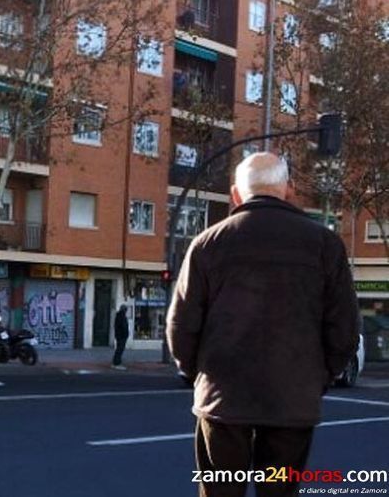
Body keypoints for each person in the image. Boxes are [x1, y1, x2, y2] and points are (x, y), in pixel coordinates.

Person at [166, 152, 359, 497]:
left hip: (223, 401)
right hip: (292, 400)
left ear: (236, 195)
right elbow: (344, 327)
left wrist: (198, 374)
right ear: (289, 190)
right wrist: (319, 377)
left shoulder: (208, 243)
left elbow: (181, 325)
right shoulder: (325, 245)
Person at [111, 304, 129, 370]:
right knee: (120, 349)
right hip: (121, 336)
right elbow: (123, 326)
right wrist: (125, 334)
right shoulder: (122, 316)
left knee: (119, 349)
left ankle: (116, 362)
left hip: (119, 335)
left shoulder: (119, 316)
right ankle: (117, 363)